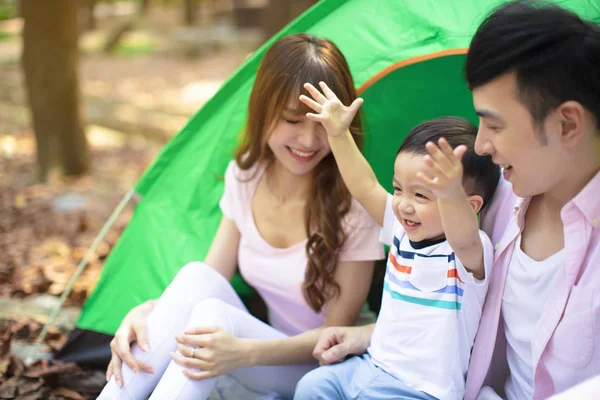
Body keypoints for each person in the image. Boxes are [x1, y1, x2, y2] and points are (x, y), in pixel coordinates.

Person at [297, 1, 600, 399]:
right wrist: (367, 335)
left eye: (493, 124)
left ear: (567, 124)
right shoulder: (504, 195)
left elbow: (461, 237)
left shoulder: (466, 204)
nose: (482, 145)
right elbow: (370, 191)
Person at [97, 33, 384, 400]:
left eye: (323, 125)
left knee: (213, 320)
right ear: (263, 112)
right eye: (293, 120)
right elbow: (206, 280)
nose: (309, 141)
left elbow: (336, 336)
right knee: (197, 280)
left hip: (321, 369)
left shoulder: (353, 205)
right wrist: (147, 313)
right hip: (261, 354)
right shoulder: (246, 177)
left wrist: (241, 353)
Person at [295, 79, 500, 400]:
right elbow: (364, 186)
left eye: (422, 195)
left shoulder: (467, 252)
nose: (404, 203)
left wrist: (449, 195)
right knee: (311, 386)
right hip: (369, 366)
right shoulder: (402, 229)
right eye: (399, 188)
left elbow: (464, 235)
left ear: (470, 205)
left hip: (420, 391)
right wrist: (338, 135)